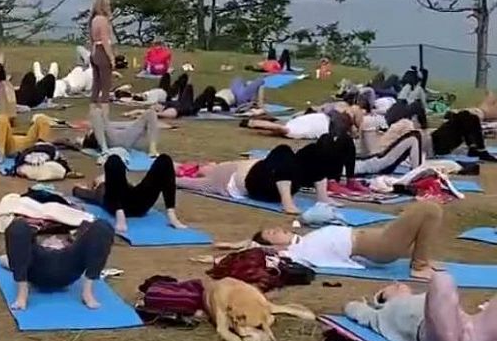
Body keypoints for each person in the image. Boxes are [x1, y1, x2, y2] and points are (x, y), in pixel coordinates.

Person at [345, 272, 497, 341]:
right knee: (441, 279)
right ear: (383, 298)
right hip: (440, 340)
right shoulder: (384, 313)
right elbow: (353, 309)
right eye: (392, 287)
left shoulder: (424, 297)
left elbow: (448, 305)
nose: (397, 284)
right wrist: (357, 306)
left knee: (443, 285)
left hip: (475, 335)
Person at [252, 201, 443, 280]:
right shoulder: (294, 253)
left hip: (378, 240)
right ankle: (419, 266)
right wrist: (253, 245)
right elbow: (257, 252)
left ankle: (422, 259)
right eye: (272, 233)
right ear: (273, 245)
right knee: (430, 210)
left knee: (423, 217)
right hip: (380, 246)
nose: (278, 229)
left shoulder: (303, 241)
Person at [177, 134, 359, 214]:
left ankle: (321, 197)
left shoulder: (223, 168)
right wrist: (179, 176)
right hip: (259, 183)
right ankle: (289, 202)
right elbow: (183, 181)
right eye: (202, 167)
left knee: (314, 152)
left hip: (274, 179)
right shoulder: (215, 179)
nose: (207, 165)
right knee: (284, 150)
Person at [1, 217, 114, 310]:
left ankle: (87, 292)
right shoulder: (33, 252)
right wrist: (15, 263)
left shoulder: (72, 249)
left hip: (68, 266)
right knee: (18, 226)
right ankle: (22, 293)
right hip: (37, 268)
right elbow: (7, 259)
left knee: (102, 226)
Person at [73, 153, 186, 233]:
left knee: (164, 160)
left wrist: (78, 188)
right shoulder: (101, 192)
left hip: (137, 202)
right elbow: (82, 193)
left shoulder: (117, 182)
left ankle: (171, 213)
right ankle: (120, 215)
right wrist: (79, 189)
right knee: (113, 159)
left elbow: (79, 191)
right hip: (117, 205)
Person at [82, 107, 159, 156]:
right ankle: (104, 149)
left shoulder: (106, 126)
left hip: (125, 136)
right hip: (113, 139)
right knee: (96, 111)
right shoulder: (101, 130)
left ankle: (153, 150)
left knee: (151, 112)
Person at [89, 0, 115, 114]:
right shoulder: (103, 20)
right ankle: (105, 113)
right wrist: (111, 57)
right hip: (102, 51)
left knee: (96, 84)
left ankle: (92, 112)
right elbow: (105, 40)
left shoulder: (94, 20)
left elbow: (92, 39)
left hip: (95, 52)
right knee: (106, 85)